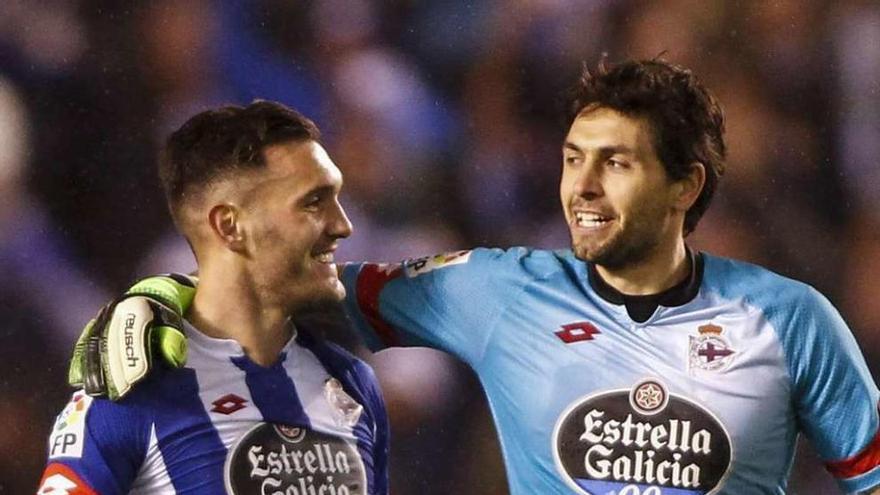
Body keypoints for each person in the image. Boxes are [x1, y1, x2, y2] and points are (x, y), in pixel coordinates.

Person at [67, 59, 879, 494]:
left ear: (685, 186)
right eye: (571, 160)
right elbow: (290, 279)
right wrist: (160, 296)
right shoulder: (494, 290)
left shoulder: (790, 319)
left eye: (616, 163)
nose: (581, 187)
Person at [40, 102, 389, 494]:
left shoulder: (352, 381)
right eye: (313, 202)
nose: (343, 225)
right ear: (230, 226)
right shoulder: (127, 393)